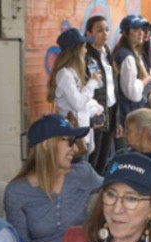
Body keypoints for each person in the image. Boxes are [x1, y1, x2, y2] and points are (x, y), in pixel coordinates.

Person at [4, 114, 102, 242]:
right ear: (46, 145)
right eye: (70, 141)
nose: (75, 149)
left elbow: (114, 189)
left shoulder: (83, 174)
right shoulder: (17, 192)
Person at [50, 28, 101, 157]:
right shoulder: (64, 74)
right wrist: (93, 81)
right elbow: (77, 103)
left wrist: (96, 109)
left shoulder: (72, 72)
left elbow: (84, 102)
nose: (86, 50)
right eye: (84, 47)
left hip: (82, 135)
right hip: (72, 139)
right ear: (76, 50)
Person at [84, 15, 116, 173]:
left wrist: (117, 119)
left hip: (109, 110)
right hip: (95, 112)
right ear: (89, 32)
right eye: (99, 30)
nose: (105, 33)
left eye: (106, 29)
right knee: (93, 157)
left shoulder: (106, 52)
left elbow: (112, 87)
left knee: (104, 156)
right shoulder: (86, 56)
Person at [113, 14, 151, 129]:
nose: (141, 32)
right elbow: (133, 94)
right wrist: (148, 78)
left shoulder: (128, 53)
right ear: (126, 33)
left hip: (127, 113)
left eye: (142, 29)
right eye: (136, 29)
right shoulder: (127, 57)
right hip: (127, 114)